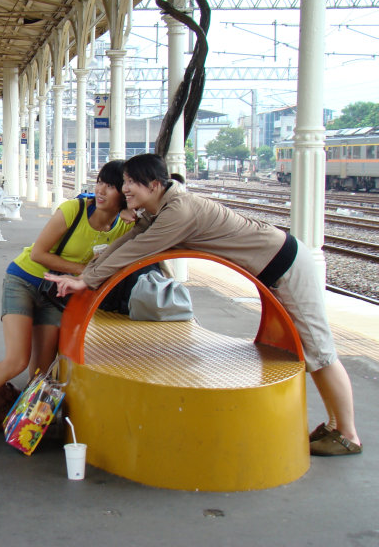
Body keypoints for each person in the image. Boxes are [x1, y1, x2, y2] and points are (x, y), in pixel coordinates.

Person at [46, 153, 362, 457]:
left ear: (154, 184)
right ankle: (334, 425)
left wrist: (87, 280)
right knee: (313, 352)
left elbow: (139, 249)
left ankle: (347, 435)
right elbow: (129, 240)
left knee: (319, 352)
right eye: (124, 181)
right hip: (272, 268)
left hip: (286, 266)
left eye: (131, 182)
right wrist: (91, 271)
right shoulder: (159, 210)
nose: (124, 188)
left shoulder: (179, 212)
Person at [0, 161, 135, 442]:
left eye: (112, 186)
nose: (101, 190)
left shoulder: (121, 227)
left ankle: (21, 427)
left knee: (41, 372)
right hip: (24, 281)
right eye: (100, 181)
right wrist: (85, 272)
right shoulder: (73, 210)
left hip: (57, 294)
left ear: (125, 194)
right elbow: (40, 254)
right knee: (16, 360)